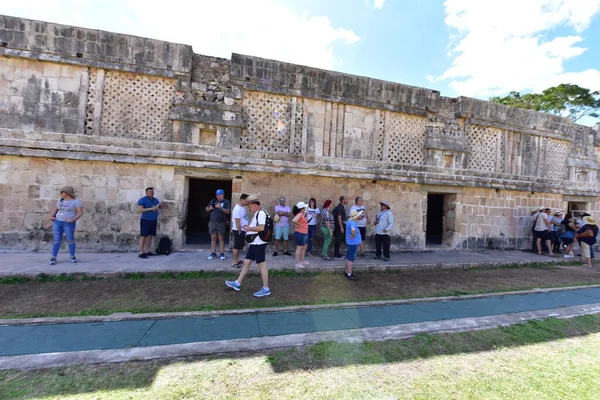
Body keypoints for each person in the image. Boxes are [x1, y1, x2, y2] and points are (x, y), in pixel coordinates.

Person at [225, 196, 271, 297]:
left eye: (249, 206)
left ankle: (266, 288)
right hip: (254, 243)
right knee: (246, 262)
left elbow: (261, 228)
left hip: (259, 243)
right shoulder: (258, 214)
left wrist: (248, 228)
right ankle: (237, 283)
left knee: (261, 264)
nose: (249, 209)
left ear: (254, 205)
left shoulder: (261, 213)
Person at [49, 186, 83, 265]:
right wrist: (52, 215)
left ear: (67, 193)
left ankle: (72, 256)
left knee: (70, 239)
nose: (61, 193)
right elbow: (58, 209)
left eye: (62, 192)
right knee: (57, 240)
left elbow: (80, 213)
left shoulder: (76, 202)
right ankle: (53, 257)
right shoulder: (61, 200)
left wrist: (72, 220)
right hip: (58, 222)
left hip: (68, 223)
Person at [137, 187, 163, 259]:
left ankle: (147, 251)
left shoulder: (155, 199)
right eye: (150, 192)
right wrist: (151, 209)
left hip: (153, 220)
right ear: (146, 192)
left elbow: (159, 207)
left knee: (150, 236)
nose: (151, 193)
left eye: (152, 191)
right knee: (143, 236)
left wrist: (160, 205)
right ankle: (141, 252)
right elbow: (139, 210)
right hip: (145, 220)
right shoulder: (142, 200)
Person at [206, 189, 231, 261]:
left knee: (221, 238)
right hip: (212, 222)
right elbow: (206, 209)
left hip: (221, 223)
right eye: (217, 195)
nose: (218, 196)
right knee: (213, 238)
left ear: (223, 195)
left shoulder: (226, 202)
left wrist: (220, 207)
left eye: (220, 195)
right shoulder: (213, 201)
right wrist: (209, 208)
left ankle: (222, 253)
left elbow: (228, 212)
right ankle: (213, 253)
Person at [344, 209, 364, 281]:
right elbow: (353, 230)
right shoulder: (352, 222)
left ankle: (346, 272)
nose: (360, 216)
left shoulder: (349, 221)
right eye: (360, 214)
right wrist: (354, 234)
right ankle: (349, 274)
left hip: (350, 242)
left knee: (348, 257)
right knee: (350, 259)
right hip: (353, 243)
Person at [231, 193, 249, 268]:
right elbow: (237, 221)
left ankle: (237, 259)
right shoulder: (237, 209)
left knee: (239, 246)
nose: (247, 203)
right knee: (236, 246)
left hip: (242, 229)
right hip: (239, 230)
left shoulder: (242, 207)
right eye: (246, 201)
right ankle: (234, 262)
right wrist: (239, 231)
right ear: (241, 200)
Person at [292, 201, 309, 268]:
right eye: (304, 207)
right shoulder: (299, 215)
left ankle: (302, 260)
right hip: (300, 233)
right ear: (302, 208)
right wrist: (299, 224)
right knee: (299, 248)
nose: (305, 208)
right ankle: (297, 263)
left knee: (304, 247)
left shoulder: (301, 214)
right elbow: (294, 220)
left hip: (304, 233)